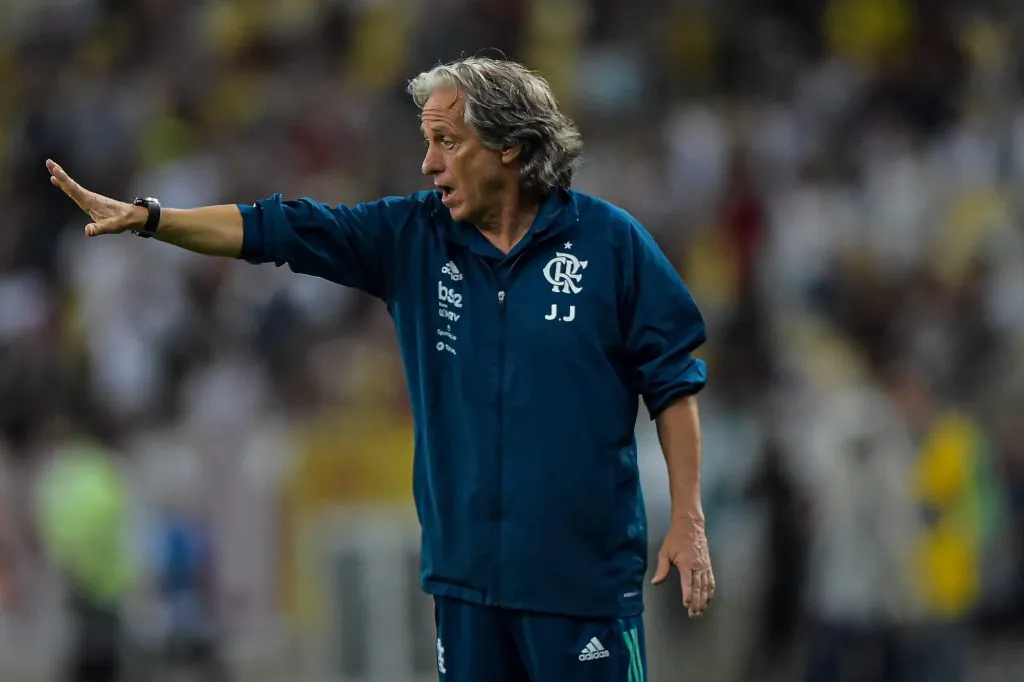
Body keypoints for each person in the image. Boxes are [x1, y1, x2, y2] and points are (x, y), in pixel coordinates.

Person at [47, 56, 714, 681]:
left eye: (447, 142)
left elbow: (673, 382)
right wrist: (150, 219)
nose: (428, 164)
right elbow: (278, 229)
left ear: (509, 146)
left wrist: (687, 518)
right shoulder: (412, 238)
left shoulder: (611, 243)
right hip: (466, 586)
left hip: (583, 585)